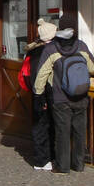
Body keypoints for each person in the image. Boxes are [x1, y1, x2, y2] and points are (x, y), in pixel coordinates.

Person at [33, 12, 94, 174]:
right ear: (75, 29)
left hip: (60, 97)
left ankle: (62, 166)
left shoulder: (51, 48)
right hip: (81, 96)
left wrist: (38, 94)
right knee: (79, 131)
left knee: (62, 132)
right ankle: (79, 164)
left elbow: (41, 75)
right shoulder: (82, 46)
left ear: (60, 28)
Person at [23, 15, 58, 171]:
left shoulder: (33, 51)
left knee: (41, 125)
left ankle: (43, 159)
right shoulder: (48, 52)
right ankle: (42, 160)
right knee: (44, 126)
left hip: (37, 92)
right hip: (44, 92)